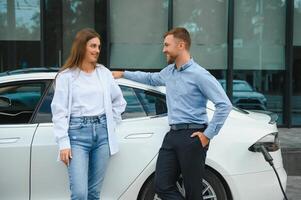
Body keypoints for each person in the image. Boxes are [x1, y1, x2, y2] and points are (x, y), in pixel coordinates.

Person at [112, 27, 232, 200]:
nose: (164, 50)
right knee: (162, 186)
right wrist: (123, 73)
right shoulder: (169, 72)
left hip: (193, 136)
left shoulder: (200, 75)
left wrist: (207, 135)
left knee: (193, 192)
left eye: (167, 45)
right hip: (172, 136)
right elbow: (149, 78)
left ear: (181, 45)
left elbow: (224, 105)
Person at [51, 28, 126, 200]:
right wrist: (63, 142)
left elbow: (119, 102)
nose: (97, 50)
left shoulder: (104, 73)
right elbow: (59, 111)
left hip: (102, 136)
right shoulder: (66, 76)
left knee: (93, 193)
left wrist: (110, 123)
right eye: (93, 46)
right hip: (77, 136)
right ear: (81, 47)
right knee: (79, 193)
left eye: (99, 47)